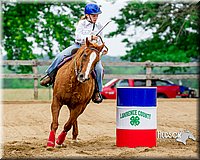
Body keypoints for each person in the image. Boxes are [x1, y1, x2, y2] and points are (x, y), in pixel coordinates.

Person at [40, 3, 105, 103]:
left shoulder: (100, 26)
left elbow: (100, 41)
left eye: (97, 15)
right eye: (93, 15)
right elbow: (77, 37)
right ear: (87, 15)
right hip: (78, 46)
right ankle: (50, 75)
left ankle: (98, 91)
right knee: (61, 55)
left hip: (92, 50)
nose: (96, 17)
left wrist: (100, 49)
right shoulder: (82, 23)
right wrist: (90, 37)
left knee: (99, 69)